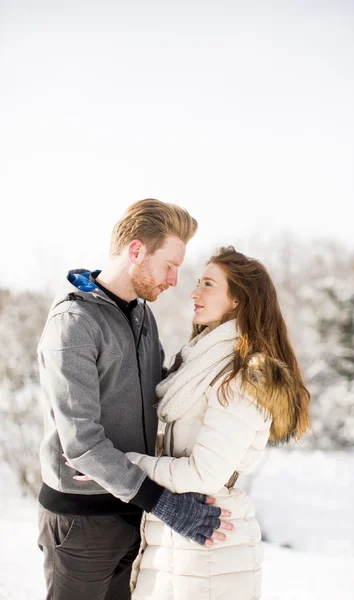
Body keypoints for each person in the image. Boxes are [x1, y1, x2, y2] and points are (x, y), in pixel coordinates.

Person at [72, 246, 311, 600]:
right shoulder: (198, 363)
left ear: (237, 301)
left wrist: (118, 465)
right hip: (176, 539)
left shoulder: (241, 376)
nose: (194, 292)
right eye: (198, 282)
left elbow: (204, 474)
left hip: (210, 544)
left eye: (208, 284)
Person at [37, 199, 232, 600]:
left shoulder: (141, 314)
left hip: (132, 511)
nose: (176, 280)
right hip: (82, 521)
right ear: (136, 251)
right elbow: (83, 444)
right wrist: (165, 505)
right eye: (170, 265)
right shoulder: (74, 324)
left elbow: (154, 394)